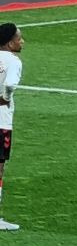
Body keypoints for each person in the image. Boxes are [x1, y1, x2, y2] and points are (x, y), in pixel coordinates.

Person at [0, 23, 25, 231]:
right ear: (10, 43)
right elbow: (9, 85)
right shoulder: (13, 62)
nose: (22, 42)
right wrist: (5, 98)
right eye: (19, 39)